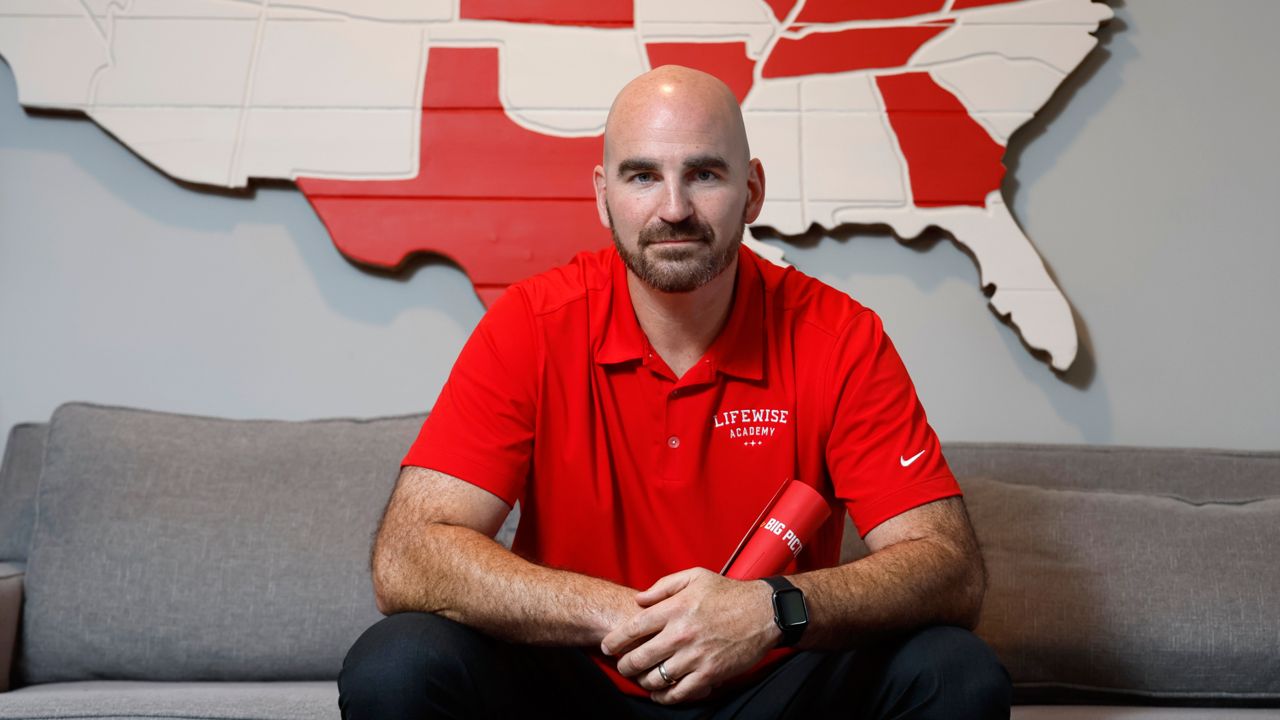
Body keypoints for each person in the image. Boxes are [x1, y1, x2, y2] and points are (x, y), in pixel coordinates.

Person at [338, 65, 1011, 719]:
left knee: (954, 669)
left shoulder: (839, 337)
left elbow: (949, 568)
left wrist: (769, 609)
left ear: (752, 191)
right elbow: (408, 555)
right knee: (398, 661)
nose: (674, 209)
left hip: (774, 682)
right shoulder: (532, 323)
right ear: (603, 194)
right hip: (577, 680)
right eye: (642, 176)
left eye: (704, 174)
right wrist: (629, 616)